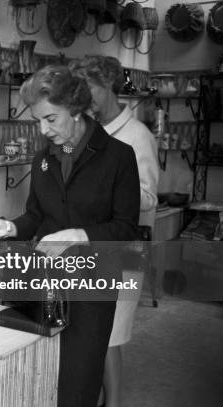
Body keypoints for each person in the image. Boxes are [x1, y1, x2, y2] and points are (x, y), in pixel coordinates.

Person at [0, 65, 140, 407]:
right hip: (45, 283)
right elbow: (37, 214)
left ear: (76, 110)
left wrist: (80, 235)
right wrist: (9, 227)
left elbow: (126, 228)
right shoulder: (42, 159)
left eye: (50, 118)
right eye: (37, 120)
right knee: (39, 375)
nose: (43, 129)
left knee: (78, 384)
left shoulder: (120, 158)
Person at [70, 55, 159, 407]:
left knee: (109, 336)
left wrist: (111, 188)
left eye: (89, 87)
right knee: (89, 332)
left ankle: (116, 402)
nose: (84, 96)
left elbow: (150, 196)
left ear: (107, 84)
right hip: (90, 244)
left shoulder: (137, 136)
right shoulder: (86, 131)